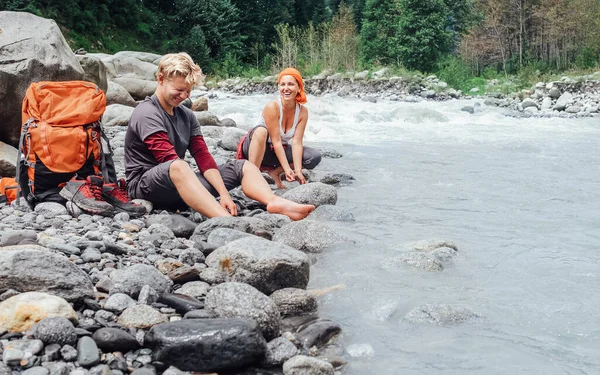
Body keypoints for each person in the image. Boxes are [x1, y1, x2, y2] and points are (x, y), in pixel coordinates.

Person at [124, 53, 315, 220]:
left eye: (189, 91)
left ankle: (273, 201)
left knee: (243, 165)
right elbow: (168, 159)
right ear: (160, 79)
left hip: (181, 185)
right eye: (179, 90)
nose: (184, 96)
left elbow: (203, 157)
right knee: (179, 165)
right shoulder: (147, 112)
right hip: (146, 187)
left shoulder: (187, 115)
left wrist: (224, 194)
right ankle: (222, 217)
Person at [236, 68, 321, 189]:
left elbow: (296, 142)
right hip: (255, 146)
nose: (286, 88)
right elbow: (276, 141)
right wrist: (287, 169)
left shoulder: (302, 112)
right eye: (283, 84)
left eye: (291, 84)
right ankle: (252, 178)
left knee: (314, 156)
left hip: (275, 152)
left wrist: (298, 171)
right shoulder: (272, 107)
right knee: (261, 131)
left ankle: (275, 172)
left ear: (299, 87)